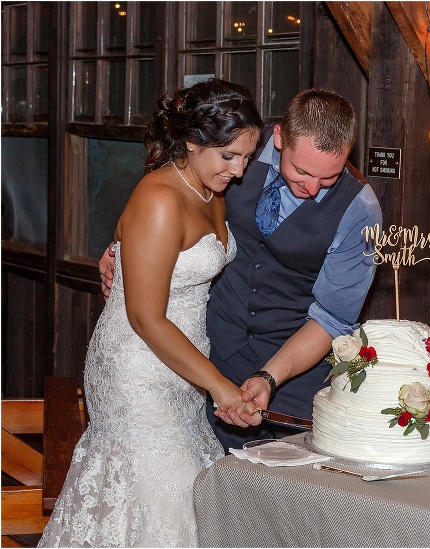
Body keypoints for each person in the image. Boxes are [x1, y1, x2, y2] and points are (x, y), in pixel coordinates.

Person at [40, 79, 263, 547]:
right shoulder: (160, 198)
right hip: (138, 370)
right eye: (229, 156)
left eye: (247, 156)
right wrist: (218, 384)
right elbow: (145, 318)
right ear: (191, 141)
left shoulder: (210, 189)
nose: (240, 170)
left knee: (182, 503)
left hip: (182, 365)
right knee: (160, 499)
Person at [100, 88, 382, 452]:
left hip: (295, 377)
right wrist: (120, 248)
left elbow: (332, 318)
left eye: (329, 177)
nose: (312, 188)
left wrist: (269, 377)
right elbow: (168, 197)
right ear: (278, 137)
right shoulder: (234, 145)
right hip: (208, 354)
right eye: (301, 171)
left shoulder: (360, 209)